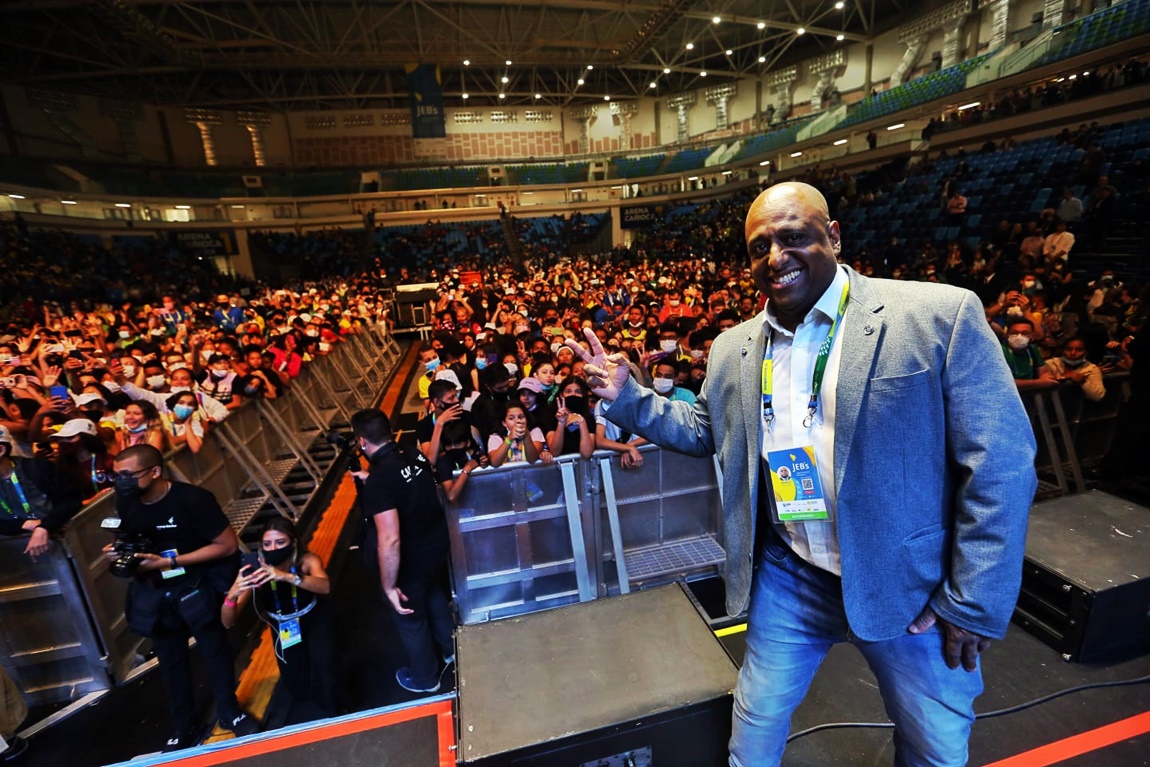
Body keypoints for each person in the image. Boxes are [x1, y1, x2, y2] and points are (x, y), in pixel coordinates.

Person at [572, 181, 1036, 767]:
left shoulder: (937, 315)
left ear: (833, 236)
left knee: (934, 750)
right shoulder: (733, 347)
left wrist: (973, 600)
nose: (775, 257)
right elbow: (705, 429)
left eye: (792, 237)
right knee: (753, 735)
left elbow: (1001, 463)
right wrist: (629, 397)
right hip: (791, 573)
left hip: (909, 584)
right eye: (758, 247)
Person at [103, 445, 258, 751]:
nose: (121, 482)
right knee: (171, 661)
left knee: (214, 650)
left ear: (155, 472)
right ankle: (185, 724)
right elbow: (128, 539)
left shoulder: (193, 500)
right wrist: (118, 550)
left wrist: (170, 561)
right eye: (117, 475)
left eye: (128, 475)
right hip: (157, 591)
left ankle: (230, 711)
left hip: (196, 584)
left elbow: (226, 545)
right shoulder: (126, 502)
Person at [349, 409, 454, 695]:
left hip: (410, 560)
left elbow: (390, 539)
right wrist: (372, 480)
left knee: (409, 617)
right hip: (434, 547)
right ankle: (451, 650)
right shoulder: (412, 453)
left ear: (362, 441)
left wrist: (389, 586)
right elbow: (408, 484)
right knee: (433, 595)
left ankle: (425, 678)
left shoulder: (381, 480)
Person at [221, 519, 338, 719]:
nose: (273, 548)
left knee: (325, 664)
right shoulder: (256, 570)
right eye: (267, 544)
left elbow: (325, 586)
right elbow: (227, 621)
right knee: (296, 682)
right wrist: (231, 596)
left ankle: (336, 709)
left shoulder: (307, 560)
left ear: (293, 542)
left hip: (312, 617)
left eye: (280, 542)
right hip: (284, 624)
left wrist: (287, 576)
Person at [0, 424, 82, 561]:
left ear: (1, 450)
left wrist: (45, 526)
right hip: (16, 554)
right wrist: (23, 524)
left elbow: (70, 500)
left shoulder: (36, 467)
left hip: (61, 542)